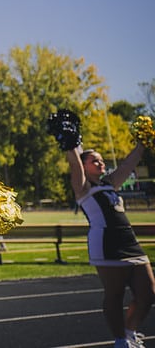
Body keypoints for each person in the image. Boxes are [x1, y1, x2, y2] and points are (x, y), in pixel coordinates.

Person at [67, 142, 154, 348]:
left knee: (148, 294)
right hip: (106, 244)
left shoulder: (110, 183)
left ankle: (130, 332)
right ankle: (121, 340)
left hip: (130, 243)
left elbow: (127, 165)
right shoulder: (84, 187)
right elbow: (74, 164)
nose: (100, 162)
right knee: (115, 295)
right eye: (94, 160)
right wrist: (70, 145)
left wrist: (143, 142)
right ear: (84, 165)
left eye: (101, 159)